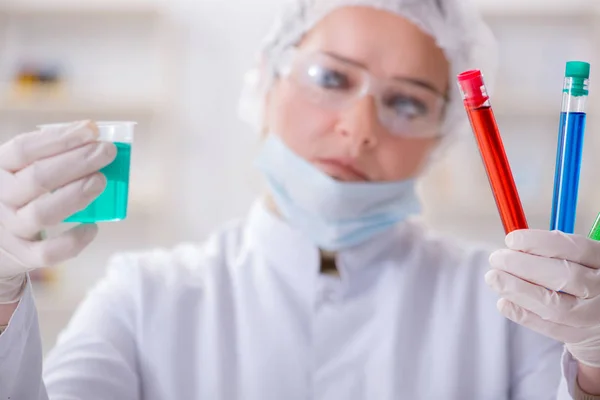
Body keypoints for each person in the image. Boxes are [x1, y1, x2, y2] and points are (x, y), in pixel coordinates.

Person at [1, 0, 599, 399]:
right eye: (332, 78)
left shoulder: (512, 304)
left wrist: (595, 367)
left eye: (408, 102)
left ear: (442, 138)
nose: (360, 128)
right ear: (265, 81)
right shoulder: (143, 294)